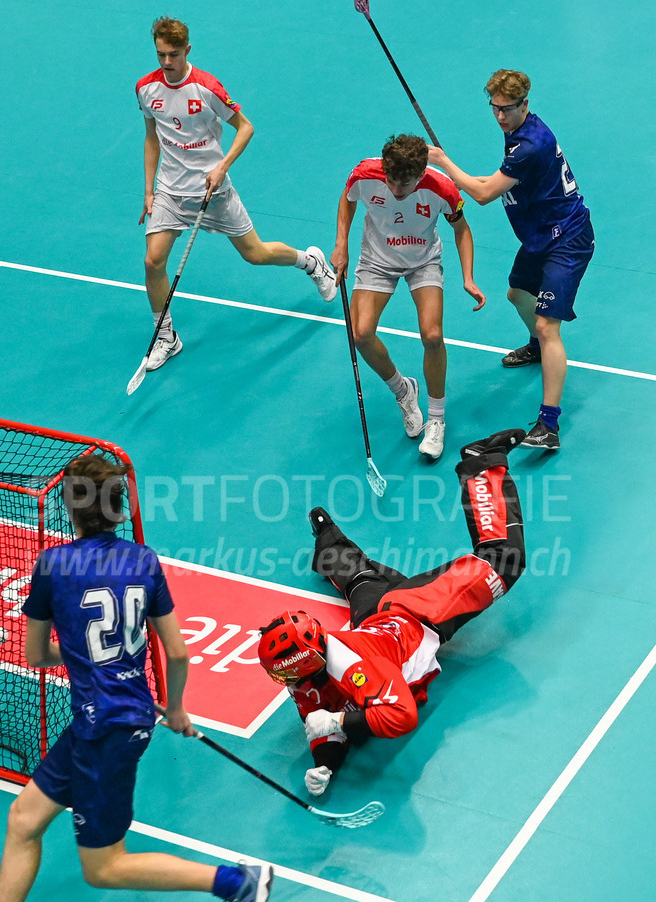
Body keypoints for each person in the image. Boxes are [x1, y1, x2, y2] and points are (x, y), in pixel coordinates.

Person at [0, 454, 272, 902]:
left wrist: (83, 655)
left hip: (104, 731)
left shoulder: (53, 566)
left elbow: (37, 655)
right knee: (24, 819)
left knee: (104, 867)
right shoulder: (143, 559)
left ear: (70, 506)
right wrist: (177, 707)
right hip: (117, 718)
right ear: (118, 506)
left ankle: (237, 883)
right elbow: (178, 653)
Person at [257, 428, 526, 795]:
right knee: (359, 578)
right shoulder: (306, 671)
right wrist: (325, 765)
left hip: (418, 610)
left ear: (304, 661)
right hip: (374, 618)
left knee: (502, 561)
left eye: (284, 673)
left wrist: (336, 719)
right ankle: (326, 543)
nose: (284, 682)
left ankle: (480, 464)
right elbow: (323, 725)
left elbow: (400, 715)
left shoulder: (355, 668)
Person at [136, 16, 337, 371]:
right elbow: (152, 137)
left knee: (256, 255)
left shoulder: (206, 88)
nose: (166, 63)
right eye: (160, 55)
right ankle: (165, 335)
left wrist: (222, 166)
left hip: (212, 190)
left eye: (173, 55)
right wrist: (149, 190)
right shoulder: (146, 89)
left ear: (188, 50)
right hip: (170, 190)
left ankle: (311, 262)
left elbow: (245, 128)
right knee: (153, 261)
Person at [426, 70, 596, 452]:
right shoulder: (517, 133)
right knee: (517, 294)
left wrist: (443, 162)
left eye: (508, 109)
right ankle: (537, 348)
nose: (500, 117)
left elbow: (484, 193)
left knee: (547, 323)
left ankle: (548, 425)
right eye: (495, 109)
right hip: (539, 236)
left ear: (525, 105)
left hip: (567, 238)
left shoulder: (531, 144)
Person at [331, 134, 485, 461]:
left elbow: (462, 230)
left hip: (423, 261)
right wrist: (341, 243)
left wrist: (468, 277)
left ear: (420, 174)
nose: (395, 190)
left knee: (432, 335)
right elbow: (348, 199)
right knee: (361, 334)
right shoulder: (365, 174)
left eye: (403, 184)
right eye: (390, 180)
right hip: (376, 260)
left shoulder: (441, 188)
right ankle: (403, 390)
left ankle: (437, 420)